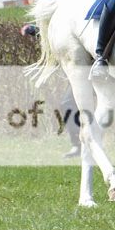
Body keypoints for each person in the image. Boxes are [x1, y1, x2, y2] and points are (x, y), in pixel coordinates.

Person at [20, 23, 81, 158]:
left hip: (94, 72)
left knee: (71, 104)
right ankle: (79, 145)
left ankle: (83, 144)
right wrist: (35, 31)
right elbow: (61, 34)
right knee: (68, 103)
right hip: (83, 73)